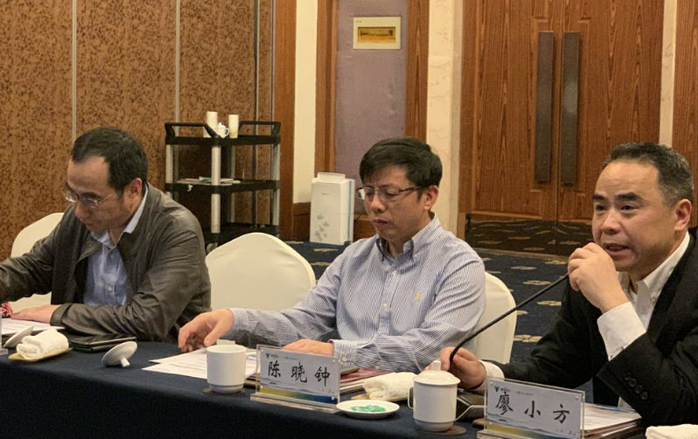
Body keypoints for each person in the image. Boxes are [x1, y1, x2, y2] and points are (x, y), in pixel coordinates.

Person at [439, 142, 698, 425]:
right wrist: (484, 376)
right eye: (600, 208)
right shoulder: (595, 273)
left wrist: (613, 304)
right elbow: (555, 367)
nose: (607, 224)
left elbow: (679, 409)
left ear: (680, 215)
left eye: (627, 208)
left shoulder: (606, 283)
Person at [179, 137, 485, 372]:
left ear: (428, 197)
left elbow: (428, 349)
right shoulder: (355, 257)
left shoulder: (459, 265)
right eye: (369, 192)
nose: (375, 205)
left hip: (414, 405)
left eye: (390, 194)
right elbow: (304, 323)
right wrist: (235, 319)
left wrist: (337, 353)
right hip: (340, 394)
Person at [0, 126, 211, 341]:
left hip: (156, 356)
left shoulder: (177, 230)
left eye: (91, 199)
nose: (79, 211)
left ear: (133, 190)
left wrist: (61, 314)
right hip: (83, 349)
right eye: (73, 194)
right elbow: (33, 269)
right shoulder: (77, 220)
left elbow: (146, 319)